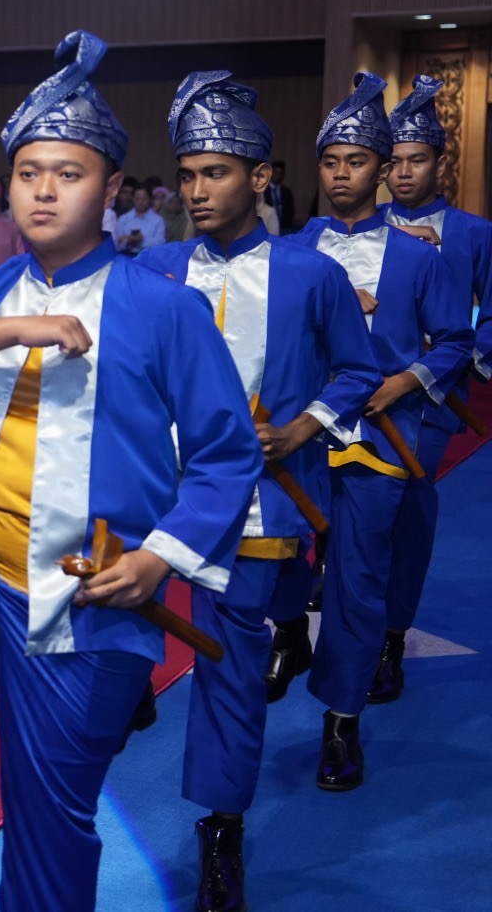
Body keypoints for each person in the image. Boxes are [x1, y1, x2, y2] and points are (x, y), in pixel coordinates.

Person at [0, 31, 262, 912]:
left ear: (111, 187)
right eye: (28, 173)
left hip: (85, 591)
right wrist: (13, 331)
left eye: (68, 172)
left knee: (48, 818)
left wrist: (158, 560)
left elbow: (226, 453)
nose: (44, 189)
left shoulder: (165, 309)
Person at [136, 71, 383, 912]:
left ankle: (223, 826)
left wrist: (304, 428)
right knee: (170, 656)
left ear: (262, 177)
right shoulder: (155, 269)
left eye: (215, 173)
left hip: (261, 508)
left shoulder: (310, 275)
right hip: (157, 508)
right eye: (187, 175)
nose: (197, 191)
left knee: (231, 669)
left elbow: (357, 371)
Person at [278, 72, 471, 792]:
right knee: (272, 561)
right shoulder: (290, 248)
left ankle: (342, 720)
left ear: (382, 169)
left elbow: (455, 340)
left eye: (355, 162)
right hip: (298, 433)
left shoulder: (422, 256)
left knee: (358, 578)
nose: (340, 174)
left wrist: (403, 381)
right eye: (329, 162)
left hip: (380, 438)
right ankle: (290, 633)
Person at [371, 75, 492, 700]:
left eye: (416, 160)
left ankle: (391, 638)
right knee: (352, 517)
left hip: (431, 401)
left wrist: (463, 361)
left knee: (408, 519)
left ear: (440, 161)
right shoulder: (359, 227)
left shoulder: (473, 233)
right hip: (355, 397)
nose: (403, 172)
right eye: (393, 160)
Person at [115, 182, 165, 253]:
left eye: (144, 199)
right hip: (126, 256)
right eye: (137, 199)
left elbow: (160, 243)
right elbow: (117, 243)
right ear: (132, 198)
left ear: (150, 199)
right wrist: (128, 241)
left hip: (149, 257)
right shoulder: (123, 219)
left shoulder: (158, 220)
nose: (140, 202)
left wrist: (141, 240)